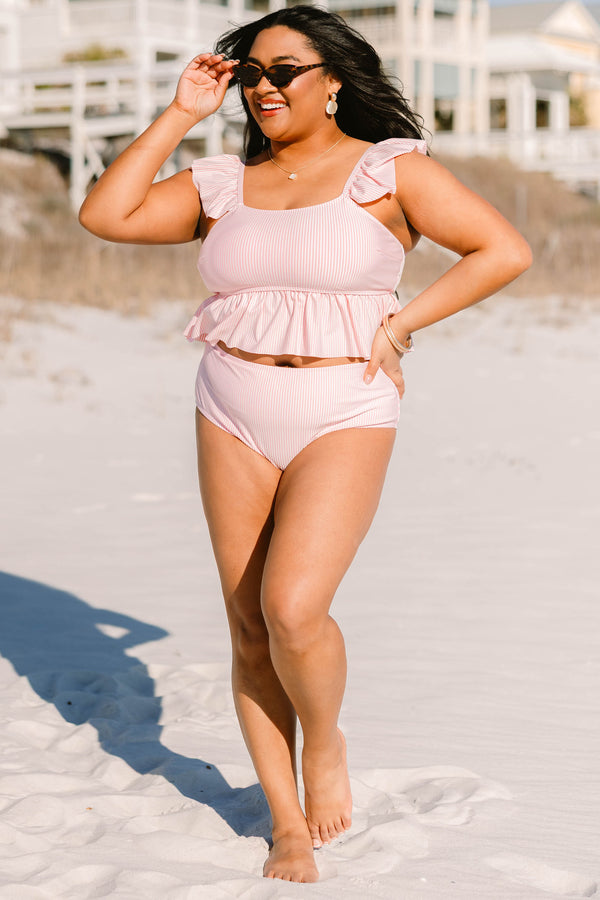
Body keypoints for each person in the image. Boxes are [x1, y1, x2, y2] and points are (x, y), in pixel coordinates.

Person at [79, 4, 532, 883]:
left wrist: (401, 326)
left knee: (292, 607)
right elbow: (106, 215)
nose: (262, 85)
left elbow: (500, 250)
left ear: (332, 83)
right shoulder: (220, 184)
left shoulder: (386, 170)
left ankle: (322, 743)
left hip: (343, 401)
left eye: (284, 70)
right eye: (251, 72)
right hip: (232, 398)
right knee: (249, 627)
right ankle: (285, 819)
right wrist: (181, 113)